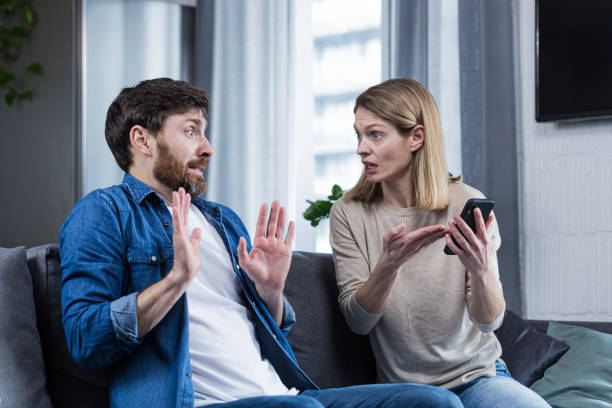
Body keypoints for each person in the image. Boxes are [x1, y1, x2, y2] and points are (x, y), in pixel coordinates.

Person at [60, 78, 463, 408]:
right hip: (193, 403)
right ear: (142, 141)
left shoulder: (221, 219)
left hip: (281, 396)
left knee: (434, 403)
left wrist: (270, 292)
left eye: (204, 131)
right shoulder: (103, 213)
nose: (208, 147)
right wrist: (175, 280)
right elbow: (84, 339)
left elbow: (267, 333)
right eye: (190, 131)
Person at [329, 78, 551, 408]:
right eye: (359, 135)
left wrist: (480, 271)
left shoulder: (466, 203)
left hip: (478, 378)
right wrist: (388, 266)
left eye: (375, 135)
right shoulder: (348, 213)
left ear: (416, 137)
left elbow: (488, 322)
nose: (361, 148)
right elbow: (359, 323)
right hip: (405, 392)